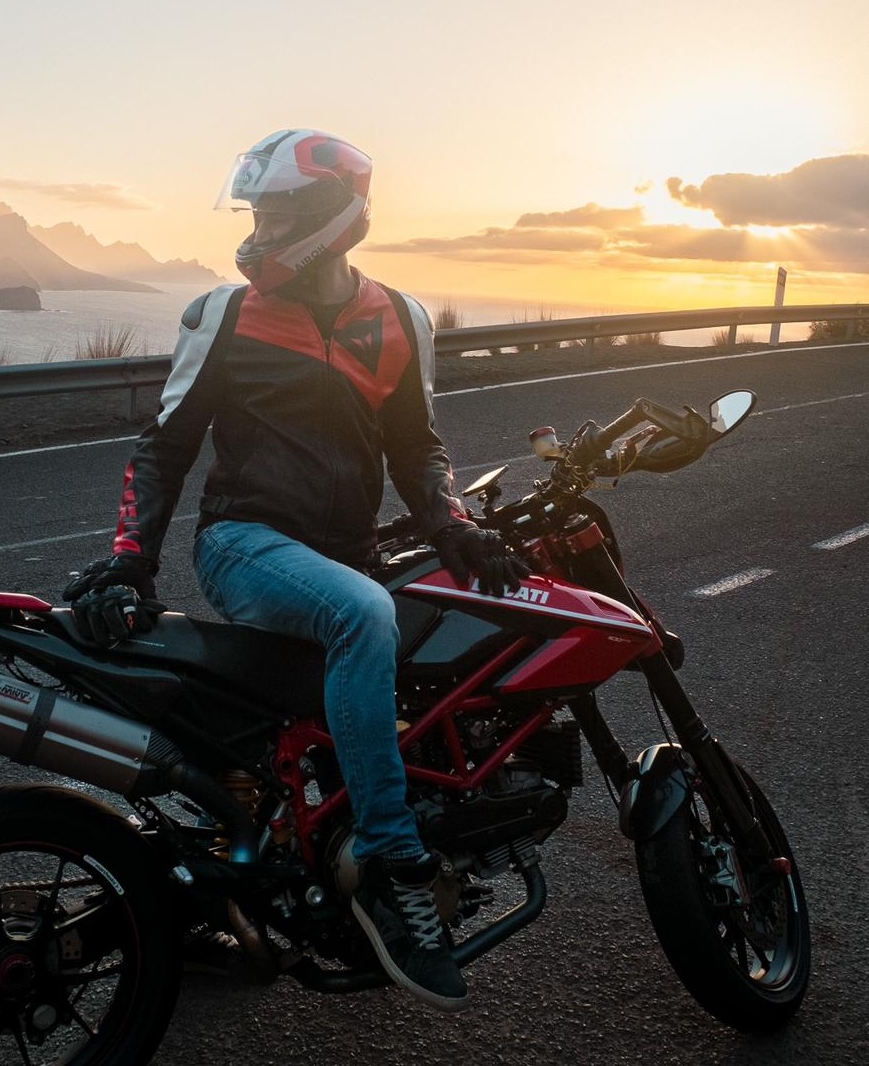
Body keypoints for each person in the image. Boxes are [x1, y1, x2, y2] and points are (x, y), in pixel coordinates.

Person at [63, 129, 528, 1013]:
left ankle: (248, 890)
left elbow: (417, 448)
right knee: (364, 620)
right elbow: (161, 449)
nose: (261, 230)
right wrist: (131, 560)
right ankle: (395, 872)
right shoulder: (225, 315)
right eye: (256, 213)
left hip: (345, 554)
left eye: (277, 213)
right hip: (246, 544)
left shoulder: (401, 319)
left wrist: (454, 525)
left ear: (334, 217)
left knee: (402, 670)